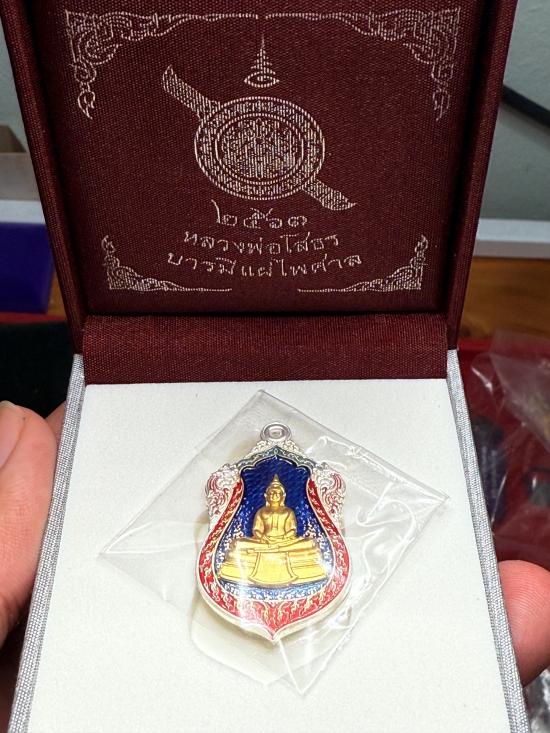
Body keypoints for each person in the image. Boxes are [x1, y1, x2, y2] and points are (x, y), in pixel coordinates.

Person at [1, 400, 550, 687]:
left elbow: (290, 531)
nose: (274, 503)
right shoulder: (260, 505)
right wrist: (263, 532)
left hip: (289, 553)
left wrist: (288, 532)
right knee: (251, 549)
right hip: (261, 553)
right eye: (271, 499)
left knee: (296, 548)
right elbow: (257, 530)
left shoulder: (290, 504)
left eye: (277, 499)